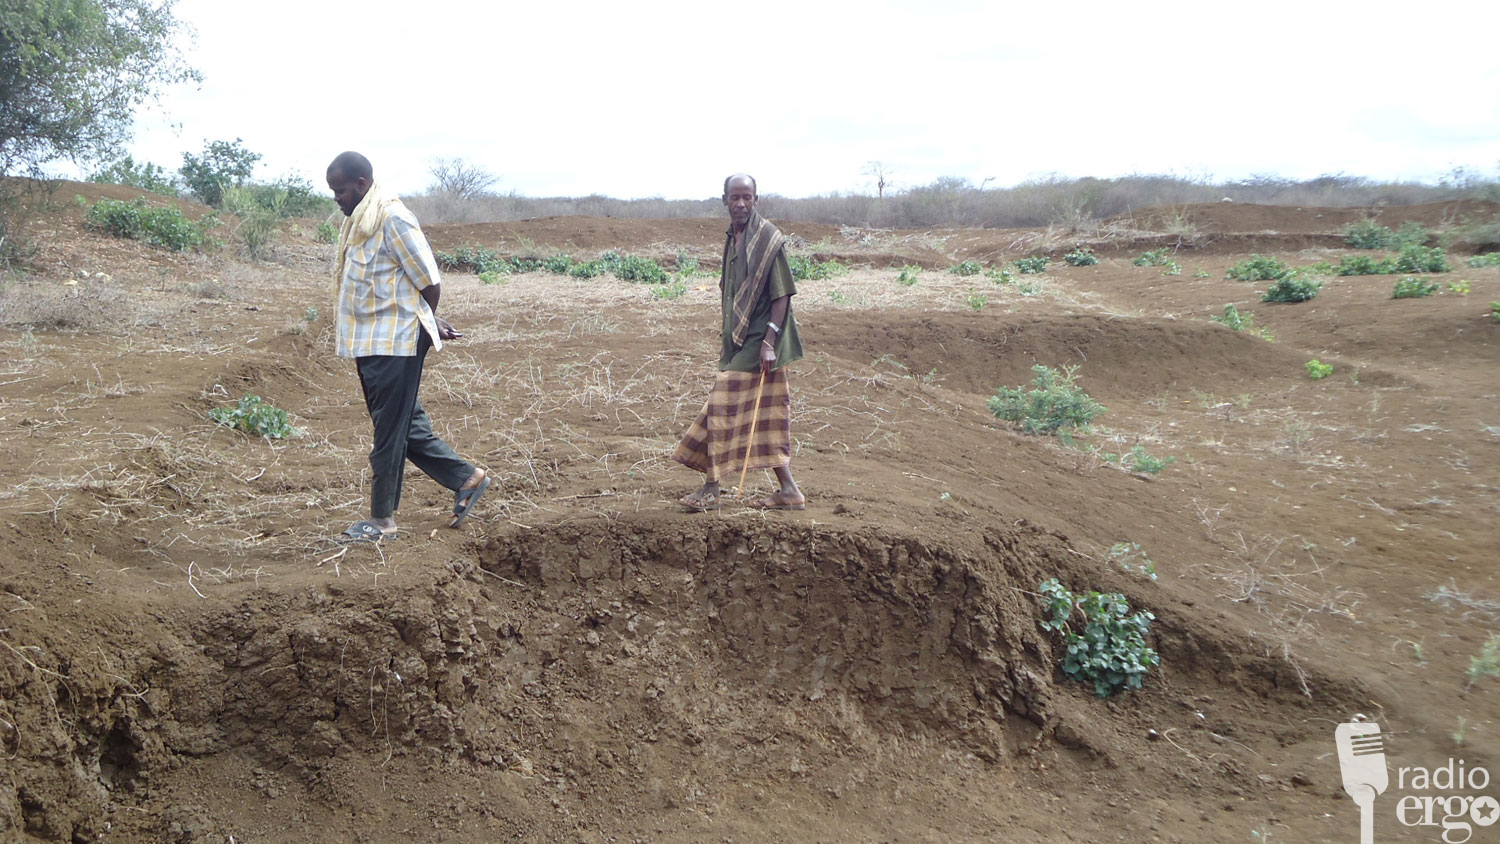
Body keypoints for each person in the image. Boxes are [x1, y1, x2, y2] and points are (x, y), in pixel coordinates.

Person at [325, 151, 489, 542]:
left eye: (341, 190)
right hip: (370, 341)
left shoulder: (392, 218)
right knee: (403, 424)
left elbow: (429, 281)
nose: (337, 199)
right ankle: (467, 478)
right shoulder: (361, 221)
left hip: (395, 344)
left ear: (361, 184)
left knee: (388, 432)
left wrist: (425, 321)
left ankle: (382, 520)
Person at [671, 173, 805, 511]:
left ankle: (712, 488)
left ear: (756, 200)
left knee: (722, 405)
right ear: (725, 200)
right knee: (765, 416)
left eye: (748, 197)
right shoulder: (734, 237)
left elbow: (783, 295)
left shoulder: (767, 239)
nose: (741, 203)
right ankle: (789, 491)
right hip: (740, 339)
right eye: (735, 197)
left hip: (763, 342)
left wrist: (769, 340)